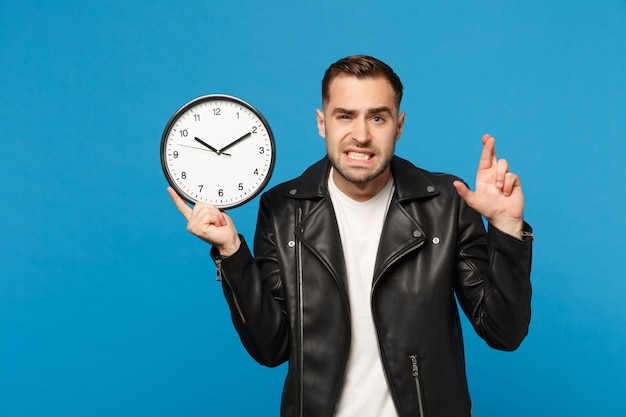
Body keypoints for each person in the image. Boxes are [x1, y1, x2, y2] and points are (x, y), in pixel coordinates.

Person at [167, 55, 533, 417]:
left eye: (377, 117)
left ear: (399, 125)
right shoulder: (282, 208)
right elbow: (271, 348)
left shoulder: (446, 203)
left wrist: (505, 228)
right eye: (345, 116)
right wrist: (231, 252)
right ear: (322, 122)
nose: (361, 135)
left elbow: (503, 332)